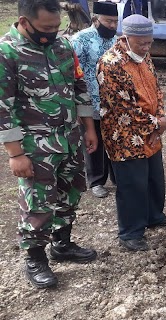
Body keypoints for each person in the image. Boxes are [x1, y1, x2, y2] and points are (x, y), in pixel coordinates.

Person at [0, 0, 99, 288]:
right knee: (38, 202)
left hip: (69, 138)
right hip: (34, 145)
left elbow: (79, 87)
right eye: (46, 28)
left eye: (56, 27)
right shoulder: (7, 52)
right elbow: (2, 108)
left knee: (71, 192)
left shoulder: (63, 47)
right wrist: (15, 154)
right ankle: (35, 259)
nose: (53, 32)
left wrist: (89, 128)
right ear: (24, 21)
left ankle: (62, 244)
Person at [98, 15, 166, 252]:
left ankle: (154, 216)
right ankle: (131, 232)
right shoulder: (111, 64)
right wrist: (157, 123)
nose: (146, 48)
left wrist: (161, 118)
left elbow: (157, 89)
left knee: (154, 178)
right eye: (141, 43)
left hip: (151, 131)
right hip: (124, 135)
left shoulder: (144, 57)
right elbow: (124, 108)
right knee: (132, 184)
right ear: (126, 37)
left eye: (149, 43)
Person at [72, 1, 119, 198]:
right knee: (94, 141)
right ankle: (96, 181)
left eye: (116, 22)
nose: (113, 26)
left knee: (114, 140)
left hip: (113, 103)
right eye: (109, 21)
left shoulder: (116, 40)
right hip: (89, 101)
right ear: (95, 19)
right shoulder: (80, 40)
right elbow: (74, 72)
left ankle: (118, 177)